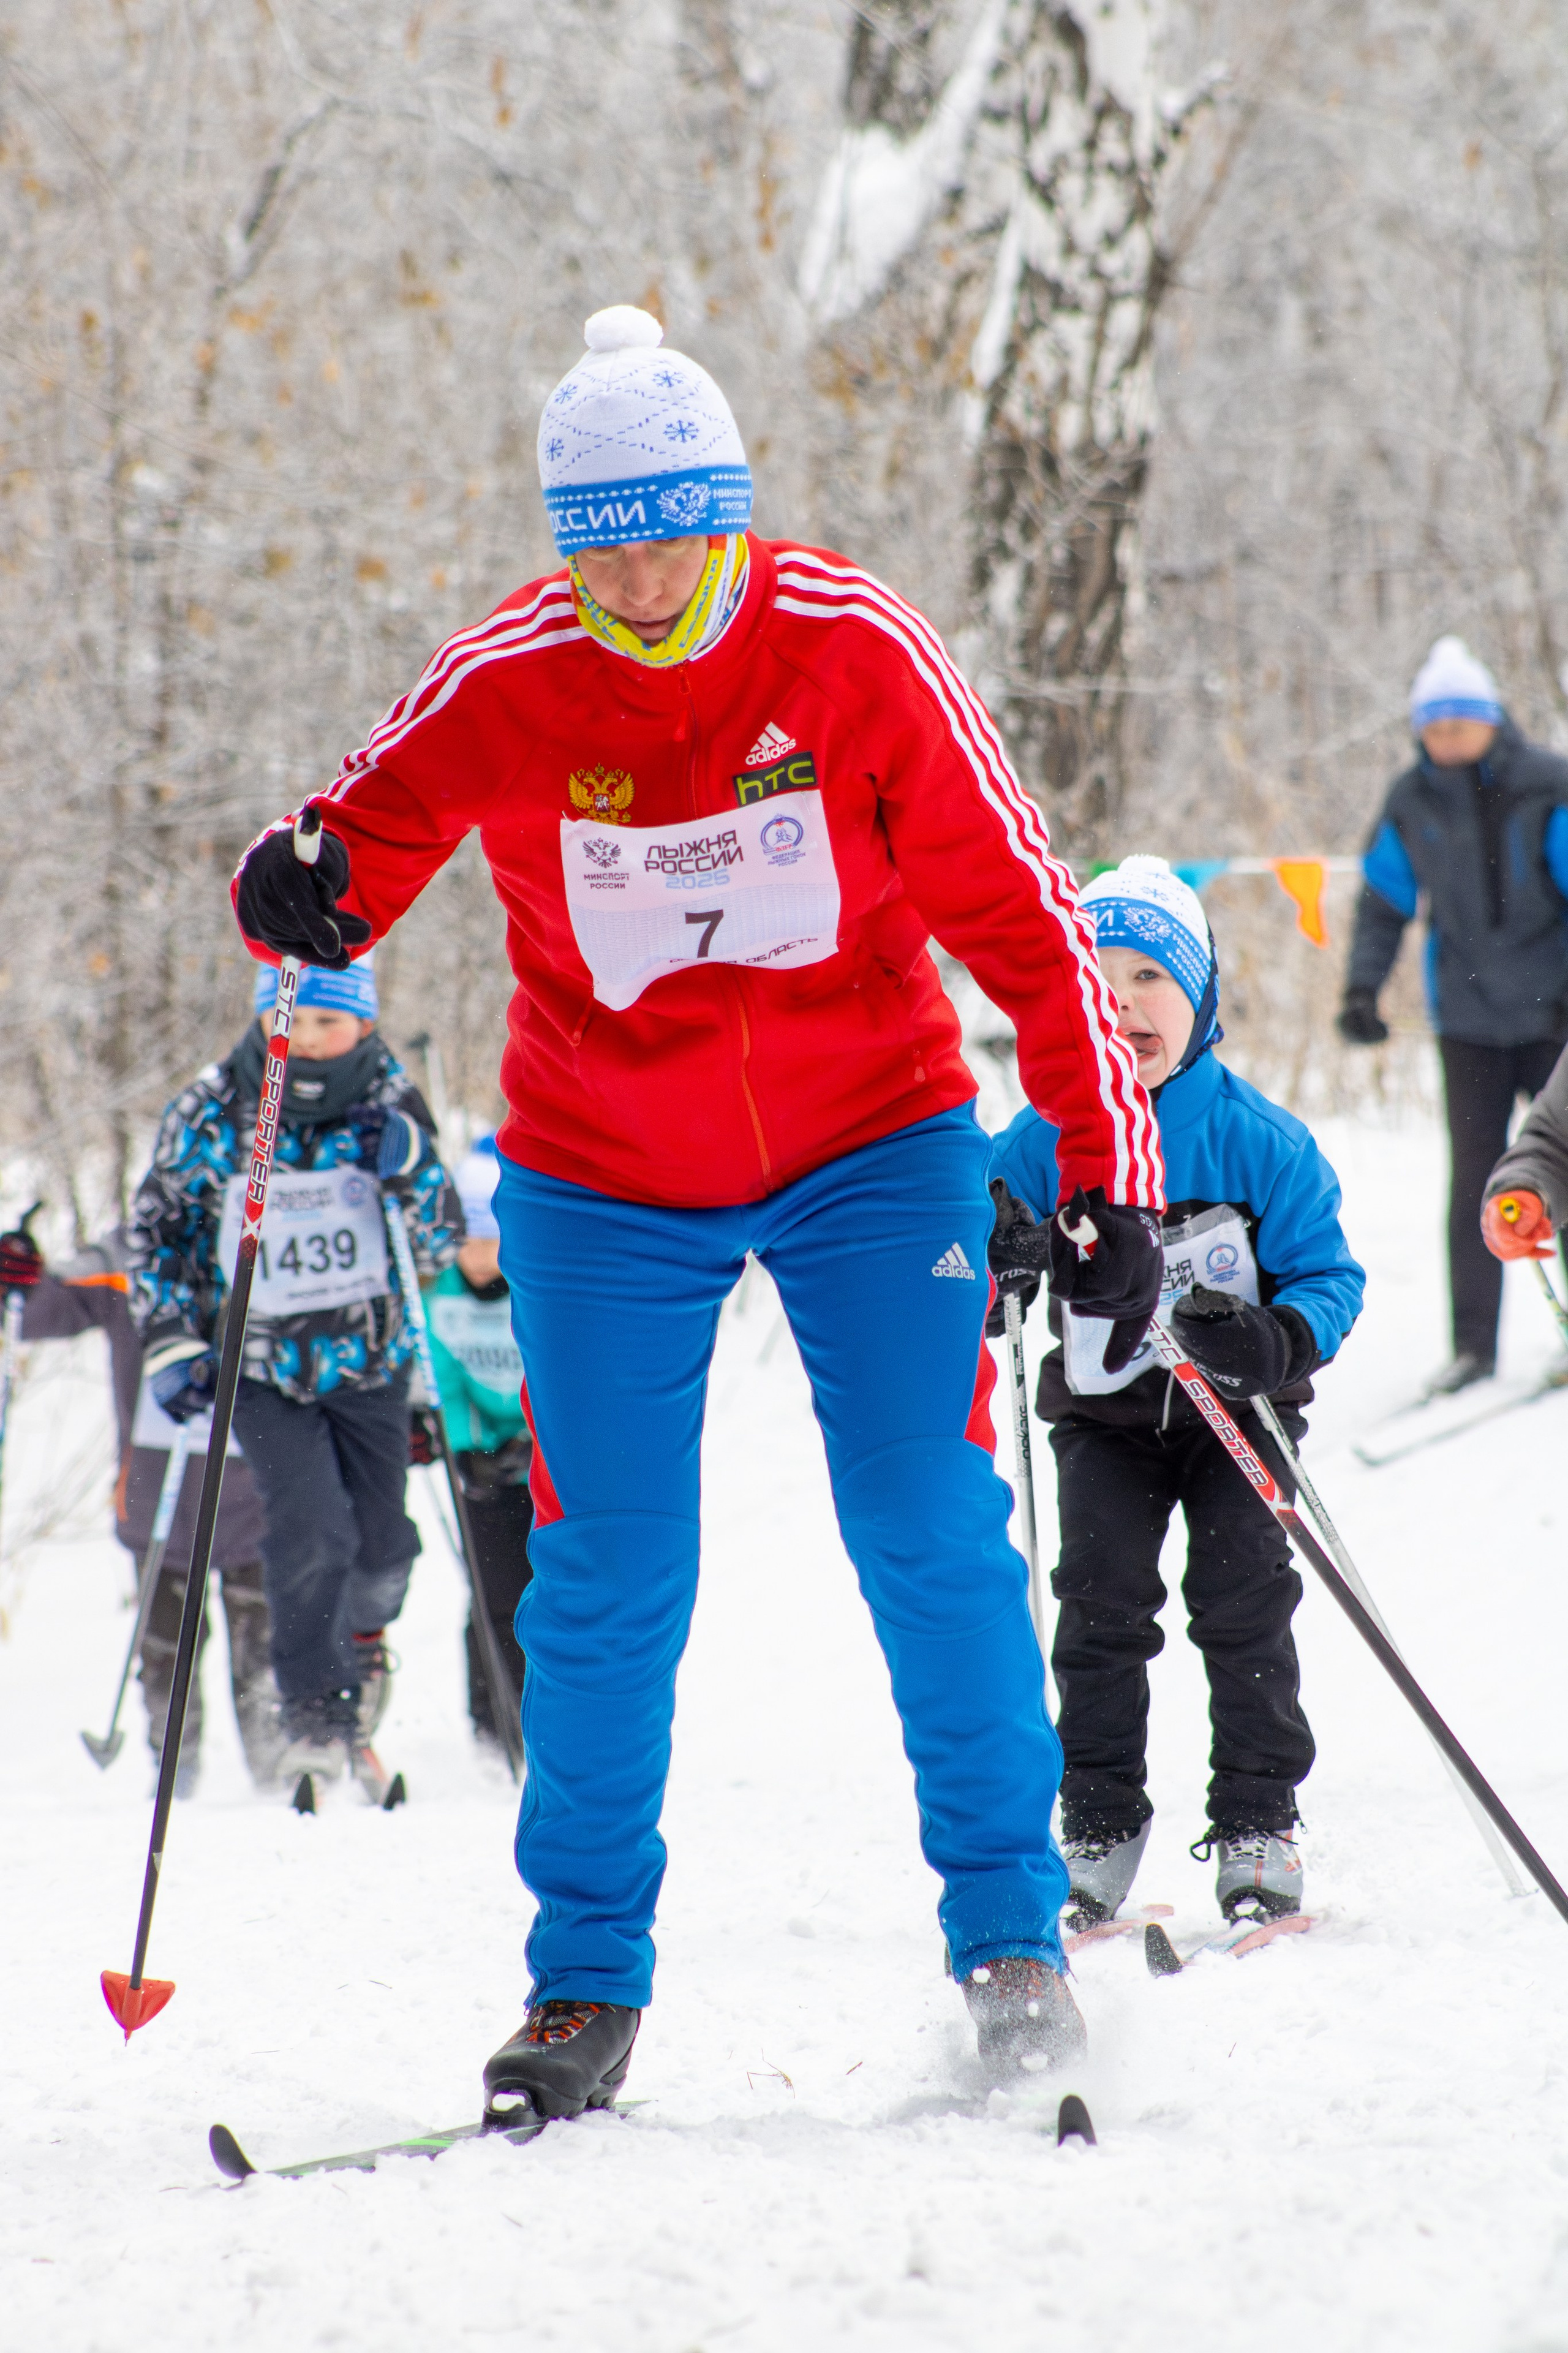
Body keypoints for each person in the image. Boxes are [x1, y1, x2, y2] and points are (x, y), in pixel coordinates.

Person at [232, 301, 1164, 2109]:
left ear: (726, 513)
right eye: (604, 546)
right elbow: (346, 852)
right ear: (564, 543)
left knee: (925, 1518)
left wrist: (1106, 1172)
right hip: (603, 1167)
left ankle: (1009, 1937)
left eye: (673, 534)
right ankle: (582, 1977)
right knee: (608, 1565)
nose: (643, 579)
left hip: (873, 1137)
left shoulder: (849, 645)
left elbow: (1027, 919)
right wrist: (294, 886)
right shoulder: (511, 674)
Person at [991, 858, 1364, 1927]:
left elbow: (1331, 1276)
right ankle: (1099, 1819)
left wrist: (1279, 1338)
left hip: (1237, 1417)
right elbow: (972, 1236)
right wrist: (999, 1255)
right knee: (1099, 1608)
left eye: (1150, 976)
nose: (1123, 1002)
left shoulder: (1259, 1140)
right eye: (1098, 979)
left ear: (1199, 996)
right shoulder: (1047, 1135)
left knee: (1244, 1609)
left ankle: (1257, 1819)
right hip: (1104, 1419)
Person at [126, 954, 461, 1801]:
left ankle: (364, 1647)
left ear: (364, 1024)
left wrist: (413, 1168)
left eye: (327, 1023)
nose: (305, 1040)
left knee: (382, 1545)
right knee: (308, 1529)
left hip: (368, 1363)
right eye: (290, 1021)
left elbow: (442, 1236)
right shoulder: (215, 1106)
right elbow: (161, 1230)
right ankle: (315, 1713)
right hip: (262, 1366)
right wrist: (173, 1340)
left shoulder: (389, 1099)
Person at [1338, 635, 1568, 1395]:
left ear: (1490, 718)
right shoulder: (1411, 798)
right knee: (1476, 1179)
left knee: (1561, 1165)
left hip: (1553, 1014)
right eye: (1431, 728)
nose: (1444, 739)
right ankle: (1472, 1347)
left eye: (1457, 724)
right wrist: (1361, 990)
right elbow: (1383, 899)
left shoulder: (1548, 784)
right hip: (1467, 1020)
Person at [0, 1218, 280, 1793]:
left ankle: (274, 1774)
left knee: (263, 1644)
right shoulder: (130, 1252)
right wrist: (17, 1278)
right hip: (160, 1493)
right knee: (167, 1648)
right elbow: (43, 1310)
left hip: (257, 1491)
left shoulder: (266, 1230)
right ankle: (176, 1771)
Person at [424, 1135, 532, 1748]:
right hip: (481, 1458)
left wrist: (532, 1439)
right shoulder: (442, 1297)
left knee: (544, 1584)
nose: (480, 1256)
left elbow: (556, 1373)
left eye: (492, 1239)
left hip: (539, 1451)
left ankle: (540, 1712)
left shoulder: (533, 1288)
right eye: (468, 1240)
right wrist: (468, 1447)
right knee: (493, 1590)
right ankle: (492, 1720)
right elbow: (444, 1376)